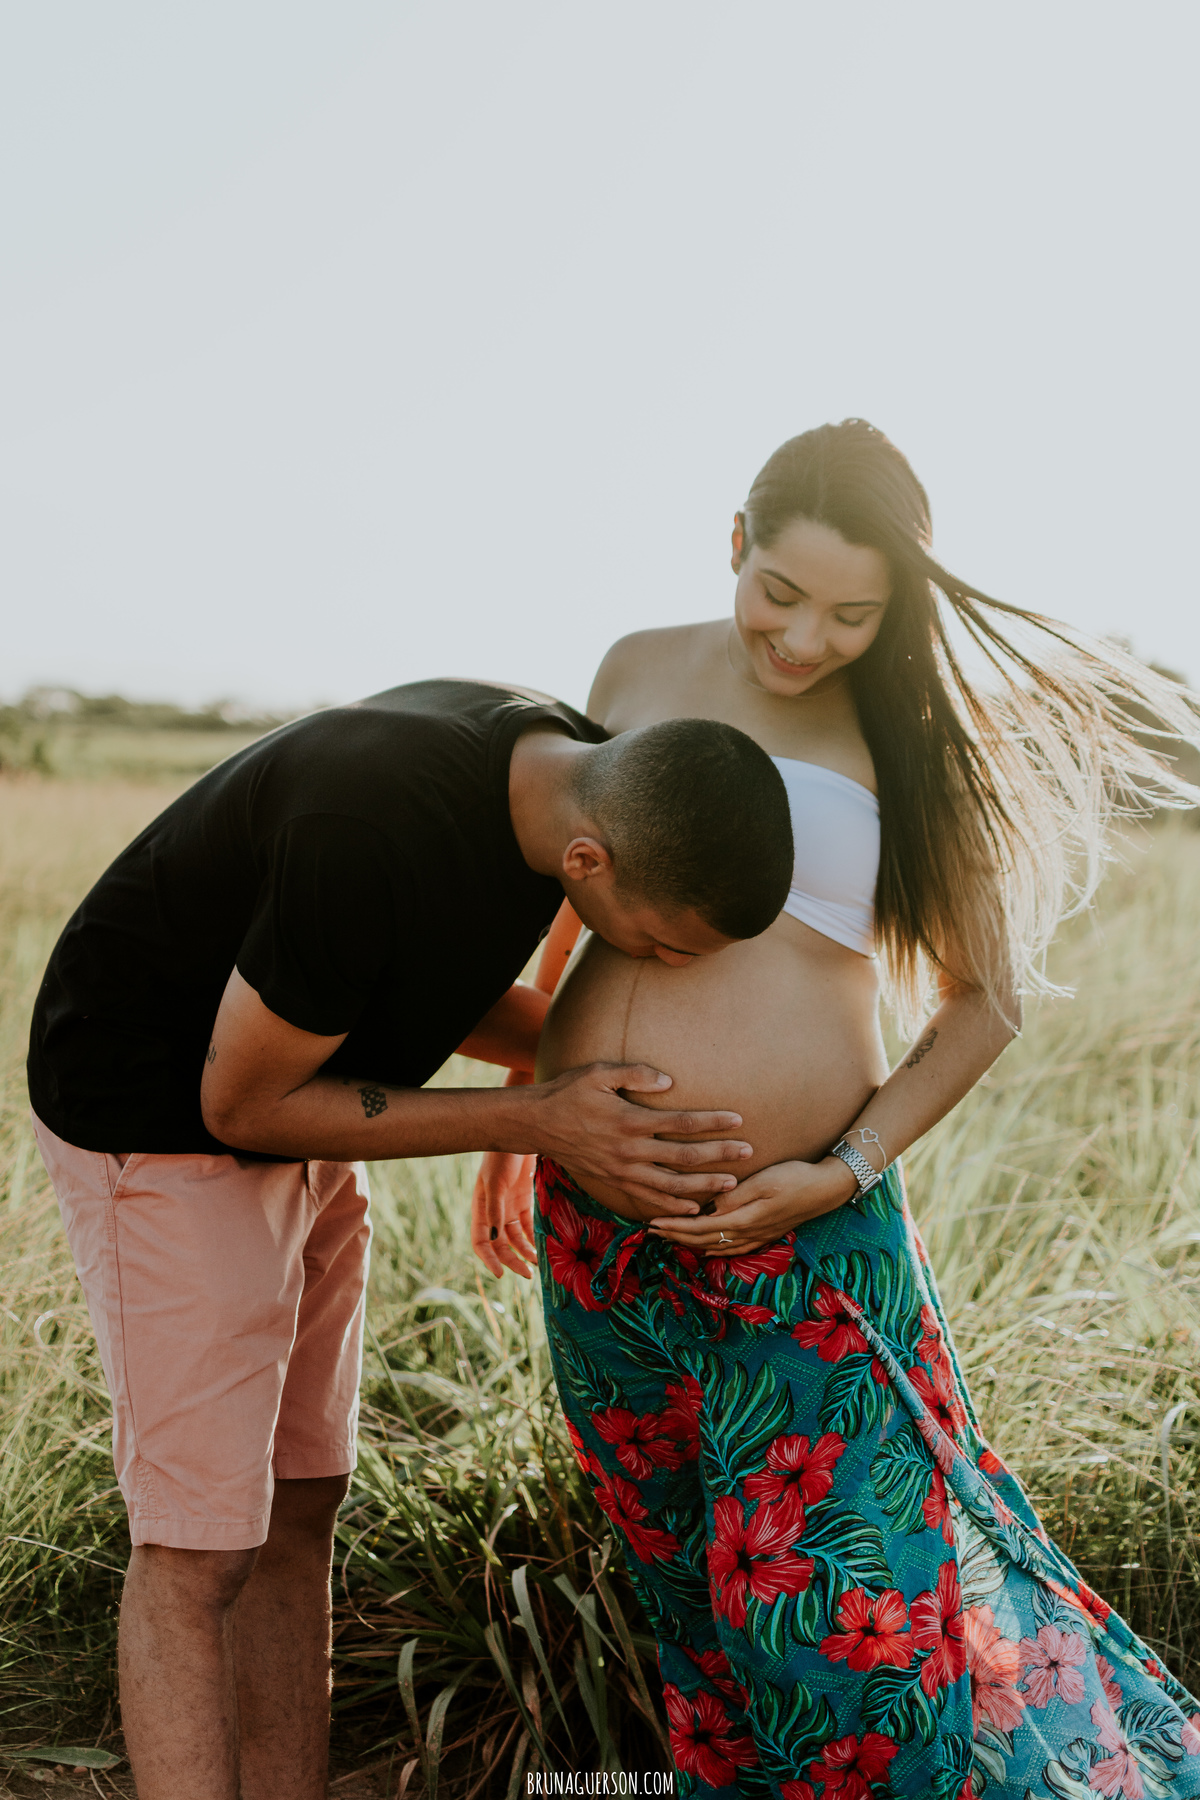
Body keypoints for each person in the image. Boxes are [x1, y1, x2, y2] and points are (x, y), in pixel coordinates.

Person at [472, 424, 1200, 1797]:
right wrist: (526, 1115)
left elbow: (985, 1000)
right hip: (601, 1229)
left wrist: (843, 1168)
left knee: (847, 1636)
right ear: (732, 543)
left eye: (853, 614)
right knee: (687, 1593)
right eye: (782, 593)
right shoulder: (633, 667)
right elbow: (575, 893)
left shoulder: (917, 739)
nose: (805, 640)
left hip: (801, 1233)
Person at [27, 676, 796, 1800]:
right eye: (661, 945)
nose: (664, 964)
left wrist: (649, 1075)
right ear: (589, 863)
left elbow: (410, 972)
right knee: (200, 1546)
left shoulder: (555, 777)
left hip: (304, 1093)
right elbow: (239, 1104)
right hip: (160, 1119)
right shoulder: (367, 832)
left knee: (304, 1497)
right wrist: (539, 1119)